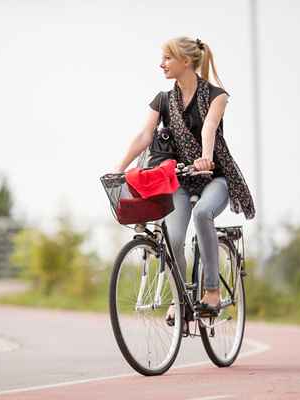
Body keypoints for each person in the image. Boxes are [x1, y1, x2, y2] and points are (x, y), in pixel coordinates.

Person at [115, 37, 255, 319]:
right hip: (179, 180)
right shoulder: (163, 100)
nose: (161, 63)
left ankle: (213, 292)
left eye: (168, 57)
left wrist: (205, 157)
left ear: (186, 61)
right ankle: (179, 299)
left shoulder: (216, 95)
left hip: (214, 177)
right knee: (173, 238)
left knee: (203, 213)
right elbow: (144, 136)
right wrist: (120, 169)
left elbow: (210, 128)